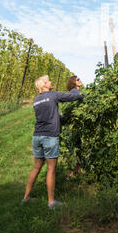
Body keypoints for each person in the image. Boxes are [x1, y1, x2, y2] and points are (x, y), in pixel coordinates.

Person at [22, 75, 84, 209]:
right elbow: (73, 97)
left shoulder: (36, 100)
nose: (51, 82)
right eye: (49, 81)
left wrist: (59, 117)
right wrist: (75, 88)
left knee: (36, 167)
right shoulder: (53, 95)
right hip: (50, 137)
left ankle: (26, 197)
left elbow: (49, 115)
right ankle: (51, 202)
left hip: (37, 136)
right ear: (45, 85)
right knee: (51, 169)